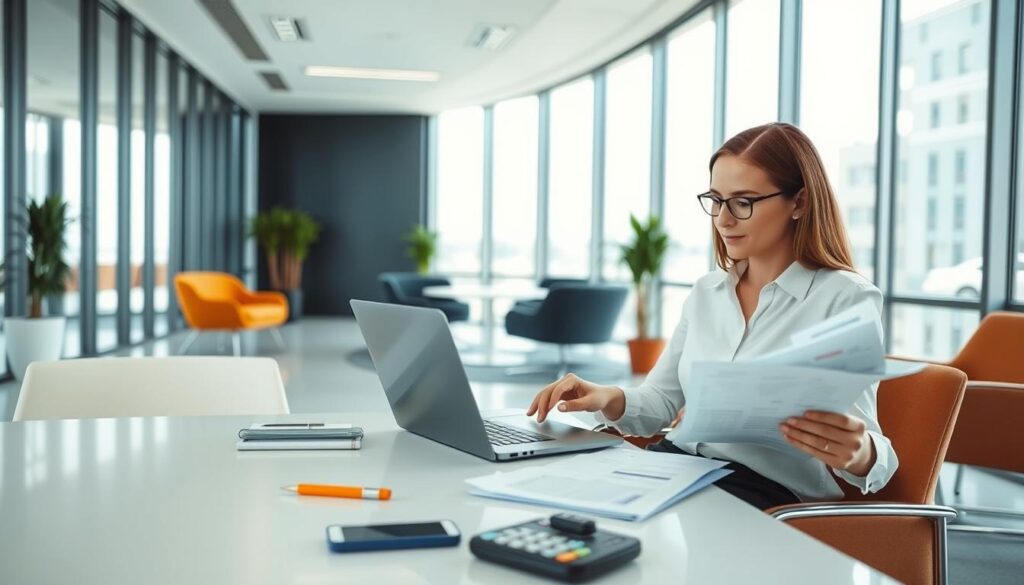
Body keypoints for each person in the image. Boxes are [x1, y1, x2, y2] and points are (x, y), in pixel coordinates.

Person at [526, 122, 897, 509]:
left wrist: (860, 453)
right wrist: (606, 397)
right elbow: (659, 403)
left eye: (743, 202)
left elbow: (874, 453)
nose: (722, 219)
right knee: (561, 499)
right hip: (676, 467)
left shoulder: (844, 299)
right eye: (716, 200)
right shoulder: (707, 292)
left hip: (764, 493)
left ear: (799, 203)